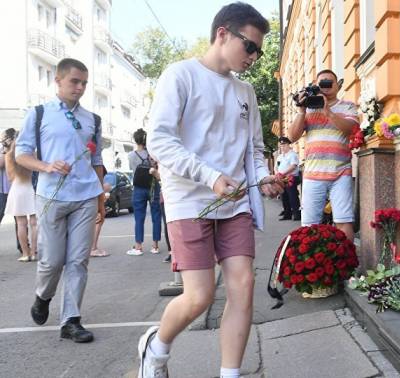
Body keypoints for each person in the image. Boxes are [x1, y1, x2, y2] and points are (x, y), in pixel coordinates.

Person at [138, 3, 284, 378]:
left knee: (244, 285)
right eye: (250, 47)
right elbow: (161, 141)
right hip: (190, 201)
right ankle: (156, 349)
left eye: (259, 51)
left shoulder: (246, 91)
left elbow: (253, 149)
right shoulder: (180, 75)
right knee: (199, 296)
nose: (254, 57)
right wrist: (211, 176)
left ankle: (230, 374)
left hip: (235, 205)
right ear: (222, 34)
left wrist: (263, 177)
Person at [15, 57, 105, 343]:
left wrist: (101, 197)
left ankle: (71, 320)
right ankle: (43, 296)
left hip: (86, 197)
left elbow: (98, 161)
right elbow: (22, 155)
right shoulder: (39, 114)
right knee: (52, 261)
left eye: (84, 84)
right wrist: (46, 166)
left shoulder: (93, 119)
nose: (79, 88)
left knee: (78, 260)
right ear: (58, 80)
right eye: (74, 82)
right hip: (51, 196)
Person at [287, 69, 360, 241]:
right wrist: (301, 111)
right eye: (322, 83)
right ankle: (311, 265)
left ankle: (346, 263)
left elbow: (351, 129)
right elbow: (291, 137)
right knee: (309, 225)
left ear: (338, 85)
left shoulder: (347, 106)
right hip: (313, 174)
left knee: (344, 221)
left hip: (340, 172)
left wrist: (328, 112)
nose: (326, 86)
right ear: (316, 86)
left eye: (330, 82)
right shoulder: (309, 109)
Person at [126, 128, 161, 256]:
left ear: (135, 140)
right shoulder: (152, 154)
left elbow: (132, 169)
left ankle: (138, 246)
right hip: (153, 186)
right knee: (156, 215)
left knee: (139, 217)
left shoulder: (131, 155)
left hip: (139, 188)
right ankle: (155, 246)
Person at [4, 135, 38, 262]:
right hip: (30, 188)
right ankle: (34, 252)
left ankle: (25, 253)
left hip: (17, 189)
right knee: (34, 223)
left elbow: (9, 177)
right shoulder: (31, 154)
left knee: (21, 224)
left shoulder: (9, 156)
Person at [275, 136, 300, 221]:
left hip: (291, 178)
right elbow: (276, 167)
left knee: (292, 196)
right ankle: (287, 214)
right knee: (284, 196)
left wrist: (282, 174)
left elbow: (293, 166)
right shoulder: (280, 156)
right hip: (282, 179)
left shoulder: (292, 154)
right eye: (281, 145)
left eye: (284, 144)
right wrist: (277, 174)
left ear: (289, 144)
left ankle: (297, 214)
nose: (282, 146)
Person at [90, 177, 111, 257]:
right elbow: (99, 182)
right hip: (90, 195)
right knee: (98, 219)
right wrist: (101, 207)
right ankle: (93, 248)